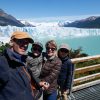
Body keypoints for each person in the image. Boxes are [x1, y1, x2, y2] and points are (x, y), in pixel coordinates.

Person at [0, 31, 34, 100]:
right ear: (12, 42)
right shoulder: (3, 62)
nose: (25, 45)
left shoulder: (21, 60)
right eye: (21, 41)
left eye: (26, 43)